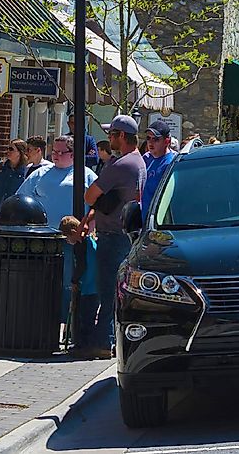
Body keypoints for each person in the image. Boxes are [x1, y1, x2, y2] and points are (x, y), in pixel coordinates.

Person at [84, 115, 146, 358]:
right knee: (117, 290)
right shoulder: (139, 162)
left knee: (107, 290)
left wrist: (97, 204)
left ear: (122, 136)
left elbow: (90, 196)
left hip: (112, 234)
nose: (109, 140)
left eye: (112, 135)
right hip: (126, 233)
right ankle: (108, 340)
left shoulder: (120, 165)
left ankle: (102, 341)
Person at [15, 136, 96, 318]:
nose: (56, 156)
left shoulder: (86, 175)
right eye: (54, 152)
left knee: (68, 282)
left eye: (61, 152)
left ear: (73, 154)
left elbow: (97, 207)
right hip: (43, 240)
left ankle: (66, 321)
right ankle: (44, 320)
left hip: (71, 240)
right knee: (43, 282)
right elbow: (20, 199)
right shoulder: (40, 173)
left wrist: (88, 229)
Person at [59, 215, 99, 357]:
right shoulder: (91, 241)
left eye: (67, 237)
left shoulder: (80, 245)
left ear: (73, 232)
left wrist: (74, 280)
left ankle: (84, 345)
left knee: (86, 318)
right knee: (90, 316)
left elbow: (81, 266)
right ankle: (87, 344)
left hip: (88, 286)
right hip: (95, 284)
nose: (68, 241)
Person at [140, 119, 175, 222]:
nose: (150, 142)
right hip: (144, 221)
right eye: (148, 138)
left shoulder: (171, 163)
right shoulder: (146, 158)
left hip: (161, 222)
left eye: (155, 139)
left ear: (167, 141)